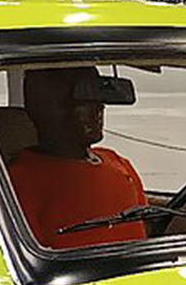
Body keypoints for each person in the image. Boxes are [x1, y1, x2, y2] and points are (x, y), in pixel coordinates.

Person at [9, 66, 148, 250]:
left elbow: (144, 222)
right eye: (83, 101)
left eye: (97, 98)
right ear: (46, 109)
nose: (100, 107)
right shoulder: (18, 181)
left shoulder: (116, 161)